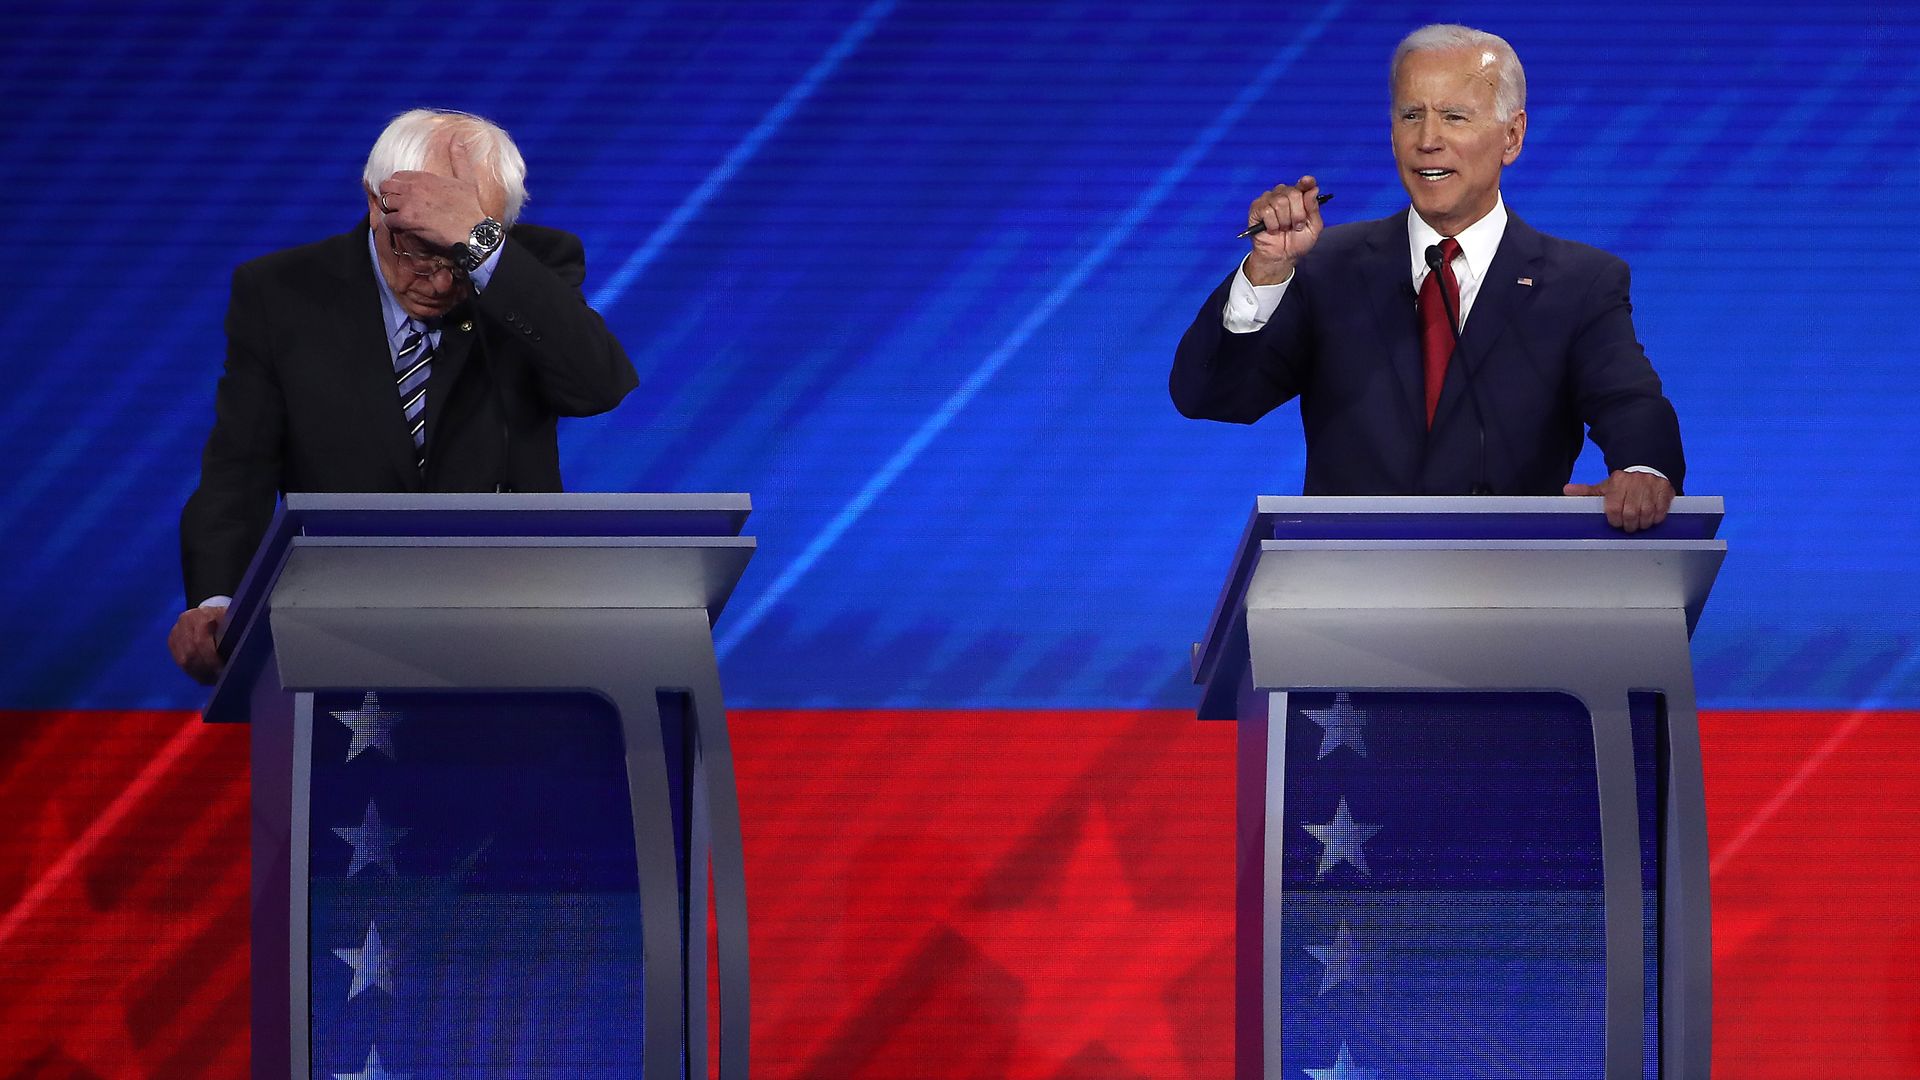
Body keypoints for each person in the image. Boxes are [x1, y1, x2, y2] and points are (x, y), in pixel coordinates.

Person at [169, 109, 639, 683]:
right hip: (335, 630)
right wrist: (221, 600)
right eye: (418, 249)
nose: (442, 282)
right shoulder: (282, 293)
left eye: (460, 256)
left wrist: (483, 246)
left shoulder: (531, 269)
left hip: (509, 628)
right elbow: (238, 468)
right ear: (374, 201)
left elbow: (598, 386)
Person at [1170, 24, 1684, 531]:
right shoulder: (1327, 266)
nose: (1428, 140)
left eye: (1454, 117)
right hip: (1348, 589)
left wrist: (1643, 470)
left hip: (1508, 586)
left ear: (1513, 136)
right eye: (1411, 115)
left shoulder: (1579, 282)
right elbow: (1210, 397)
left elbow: (1629, 403)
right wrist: (1268, 269)